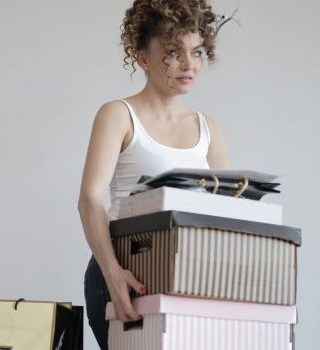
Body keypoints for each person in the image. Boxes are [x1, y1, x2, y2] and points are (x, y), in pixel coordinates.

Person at [77, 0, 230, 348]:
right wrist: (113, 276)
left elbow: (224, 218)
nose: (189, 64)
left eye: (196, 51)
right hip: (126, 272)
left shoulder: (211, 131)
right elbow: (89, 201)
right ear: (142, 57)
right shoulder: (118, 115)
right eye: (173, 52)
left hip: (192, 278)